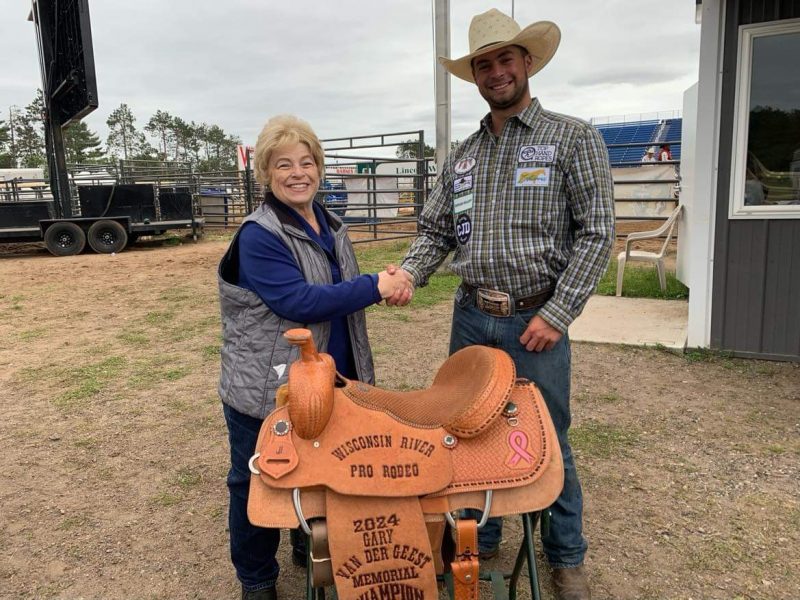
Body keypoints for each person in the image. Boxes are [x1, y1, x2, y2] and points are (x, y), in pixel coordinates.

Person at [397, 9, 614, 600]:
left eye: (504, 59)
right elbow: (437, 230)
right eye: (484, 64)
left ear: (527, 64)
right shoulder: (464, 156)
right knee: (466, 434)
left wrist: (558, 313)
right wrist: (409, 275)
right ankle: (480, 540)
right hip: (472, 314)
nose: (496, 72)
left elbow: (597, 232)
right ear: (475, 76)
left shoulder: (572, 139)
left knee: (549, 436)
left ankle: (566, 556)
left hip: (534, 315)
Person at [217, 114, 412, 600]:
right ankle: (257, 578)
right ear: (266, 172)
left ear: (319, 168)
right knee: (256, 478)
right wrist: (373, 287)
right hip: (269, 383)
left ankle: (310, 545)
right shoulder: (259, 235)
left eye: (307, 162)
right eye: (284, 164)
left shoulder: (328, 222)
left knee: (322, 466)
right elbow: (297, 301)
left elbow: (335, 284)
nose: (298, 172)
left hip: (329, 374)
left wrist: (381, 281)